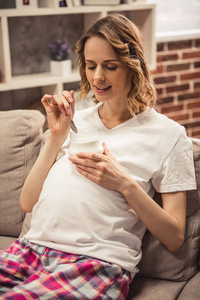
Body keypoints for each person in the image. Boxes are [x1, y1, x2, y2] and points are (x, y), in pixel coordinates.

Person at [0, 13, 196, 300]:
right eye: (91, 66)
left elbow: (175, 236)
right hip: (29, 251)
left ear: (134, 67)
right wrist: (55, 137)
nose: (97, 77)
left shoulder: (170, 136)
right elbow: (27, 202)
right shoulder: (75, 121)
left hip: (93, 264)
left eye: (110, 66)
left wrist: (124, 184)